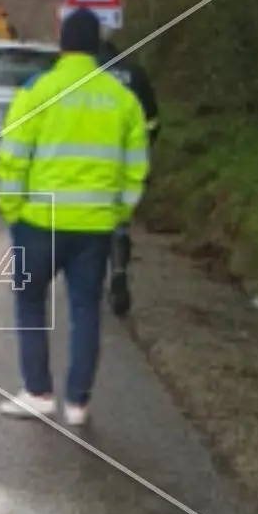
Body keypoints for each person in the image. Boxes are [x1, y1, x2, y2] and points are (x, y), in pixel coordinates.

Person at [0, 8, 149, 426]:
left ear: (61, 43)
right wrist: (117, 212)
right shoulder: (122, 99)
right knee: (85, 310)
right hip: (94, 227)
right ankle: (78, 402)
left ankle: (38, 392)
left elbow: (13, 158)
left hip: (39, 223)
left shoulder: (36, 90)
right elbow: (136, 168)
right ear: (98, 45)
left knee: (29, 304)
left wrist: (12, 209)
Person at [96, 37, 160, 317]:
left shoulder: (84, 77)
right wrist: (143, 147)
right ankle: (119, 270)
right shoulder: (135, 74)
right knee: (119, 223)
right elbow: (153, 120)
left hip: (88, 163)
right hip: (124, 162)